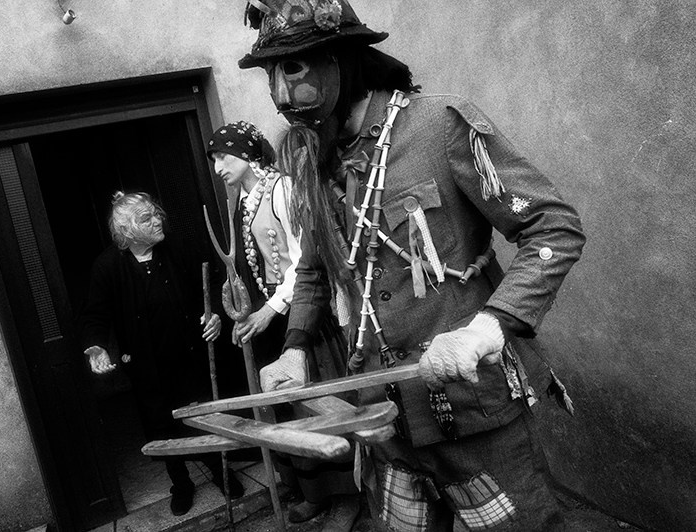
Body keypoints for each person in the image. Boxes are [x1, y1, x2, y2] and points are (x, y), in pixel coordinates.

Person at [238, 1, 586, 531]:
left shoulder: (439, 125)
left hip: (472, 411)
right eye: (271, 73)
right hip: (383, 420)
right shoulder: (311, 157)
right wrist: (294, 347)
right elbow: (312, 269)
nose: (282, 94)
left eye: (294, 68)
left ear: (341, 60)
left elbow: (553, 228)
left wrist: (487, 328)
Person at [206, 120, 361, 530]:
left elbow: (303, 262)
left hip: (304, 315)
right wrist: (241, 309)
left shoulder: (284, 189)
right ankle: (313, 493)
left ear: (247, 153)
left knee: (317, 406)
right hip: (271, 317)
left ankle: (347, 497)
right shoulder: (240, 202)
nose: (217, 166)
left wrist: (270, 309)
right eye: (213, 160)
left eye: (223, 156)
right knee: (287, 411)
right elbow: (253, 265)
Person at [78, 191, 244, 516]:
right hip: (145, 366)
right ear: (126, 231)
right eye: (146, 218)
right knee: (161, 427)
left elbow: (208, 289)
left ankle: (221, 472)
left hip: (189, 355)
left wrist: (214, 318)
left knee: (202, 418)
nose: (157, 221)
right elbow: (94, 314)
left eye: (156, 214)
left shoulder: (177, 249)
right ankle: (180, 483)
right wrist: (95, 344)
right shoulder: (108, 266)